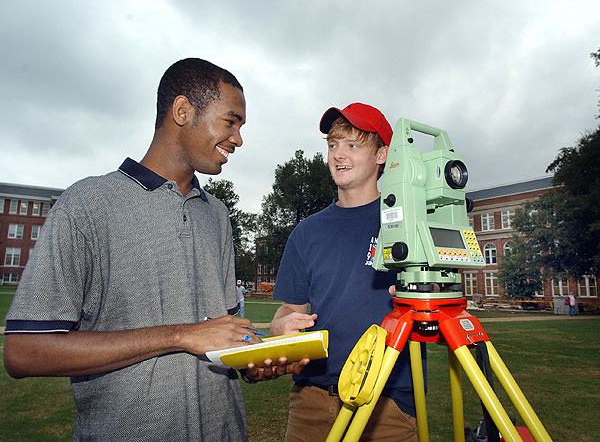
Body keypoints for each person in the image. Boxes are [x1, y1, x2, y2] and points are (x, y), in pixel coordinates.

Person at [3, 58, 306, 442]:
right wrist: (180, 335)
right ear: (183, 111)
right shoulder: (86, 205)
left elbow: (224, 335)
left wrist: (253, 360)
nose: (239, 139)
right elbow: (24, 352)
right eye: (231, 122)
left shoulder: (217, 215)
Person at [270, 103, 423, 442]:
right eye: (333, 144)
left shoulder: (410, 223)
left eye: (353, 145)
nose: (339, 155)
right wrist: (281, 324)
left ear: (382, 154)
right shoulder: (306, 233)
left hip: (386, 404)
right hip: (311, 400)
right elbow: (291, 309)